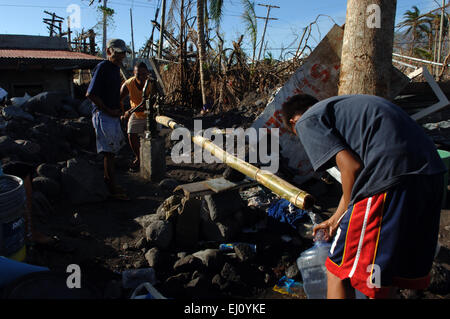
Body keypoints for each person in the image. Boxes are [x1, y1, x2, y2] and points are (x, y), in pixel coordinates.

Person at [281, 94, 446, 299]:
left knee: (338, 271)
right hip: (431, 174)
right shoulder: (346, 109)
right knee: (385, 273)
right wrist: (335, 219)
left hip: (390, 177)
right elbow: (355, 178)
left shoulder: (306, 120)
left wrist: (346, 216)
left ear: (293, 122)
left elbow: (352, 168)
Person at [86, 39, 130, 201]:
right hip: (103, 115)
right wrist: (108, 110)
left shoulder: (114, 68)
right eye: (118, 53)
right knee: (109, 153)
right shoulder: (103, 67)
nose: (121, 56)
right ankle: (111, 189)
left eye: (122, 53)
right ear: (109, 51)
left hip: (111, 115)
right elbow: (90, 94)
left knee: (111, 152)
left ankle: (110, 184)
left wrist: (118, 110)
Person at [120, 62, 158, 171]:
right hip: (136, 114)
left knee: (154, 137)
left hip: (150, 114)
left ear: (147, 73)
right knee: (131, 133)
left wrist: (129, 111)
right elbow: (119, 99)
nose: (141, 77)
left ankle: (152, 158)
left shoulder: (151, 84)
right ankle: (139, 157)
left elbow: (151, 104)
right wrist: (123, 113)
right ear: (134, 73)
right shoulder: (128, 84)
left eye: (143, 74)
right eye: (138, 74)